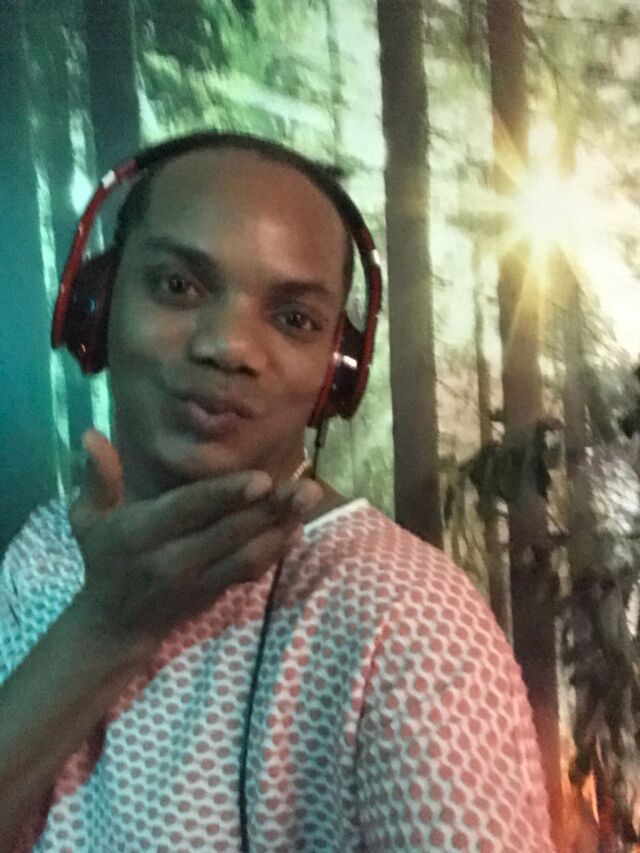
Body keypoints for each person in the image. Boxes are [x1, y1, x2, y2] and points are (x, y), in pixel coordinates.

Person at [0, 132, 553, 852]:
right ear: (96, 305)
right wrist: (106, 625)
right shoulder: (40, 555)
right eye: (178, 285)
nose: (228, 346)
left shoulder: (406, 616)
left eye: (294, 318)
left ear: (336, 372)